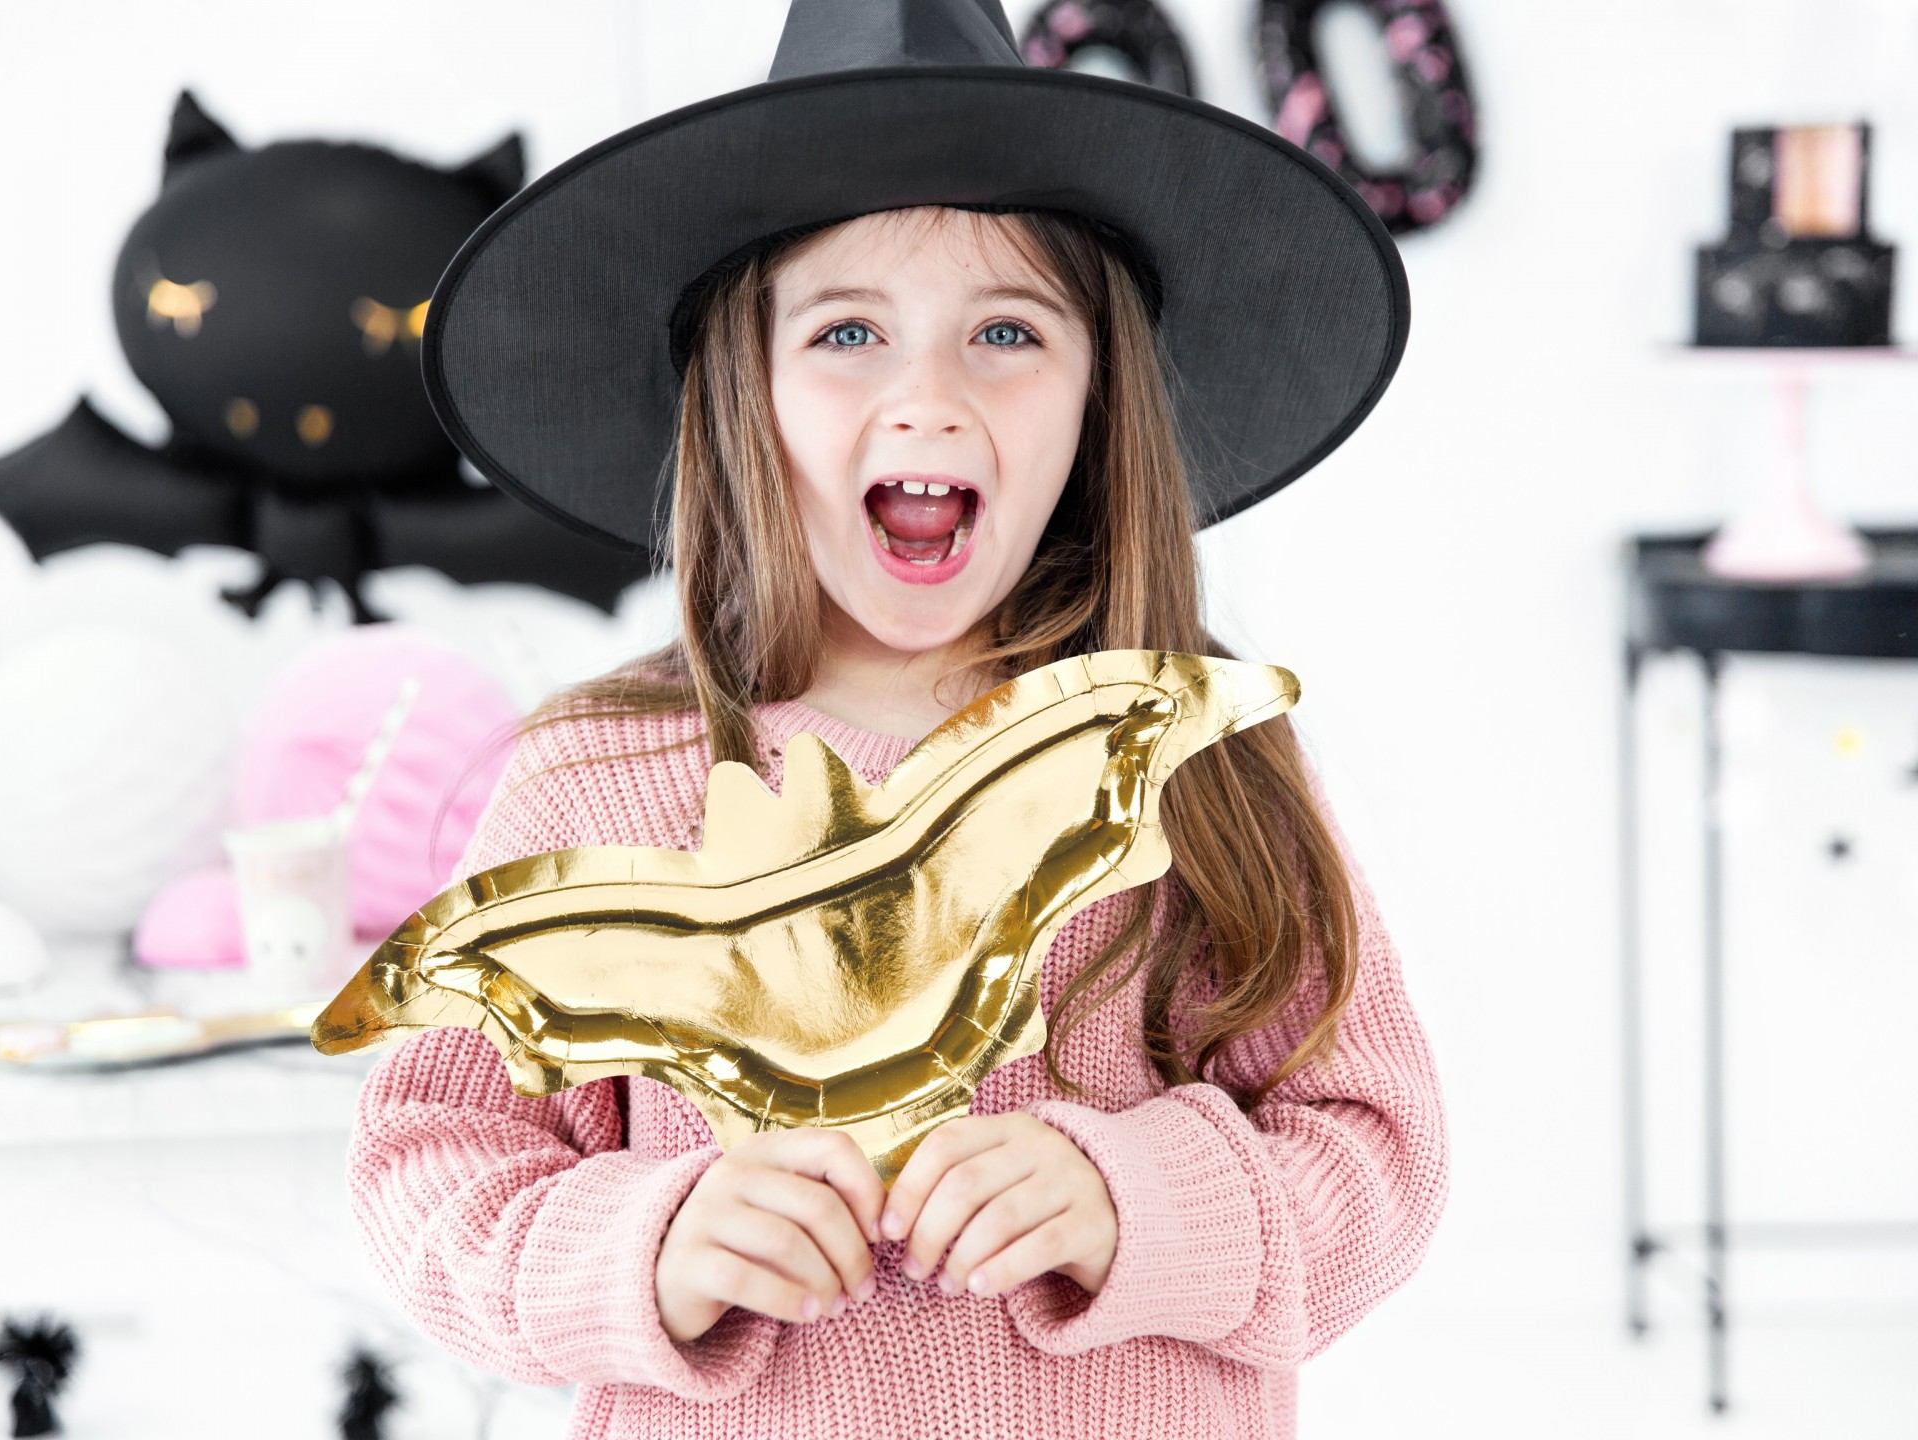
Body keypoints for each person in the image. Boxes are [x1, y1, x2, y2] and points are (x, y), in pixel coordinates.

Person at [346, 2, 1446, 1436]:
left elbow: (1374, 1157)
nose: (926, 399)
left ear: (1097, 398)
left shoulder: (1186, 758)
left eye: (1005, 331)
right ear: (746, 387)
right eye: (849, 331)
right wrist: (650, 1244)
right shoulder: (599, 779)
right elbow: (431, 1162)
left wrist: (1134, 1197)